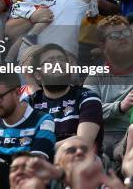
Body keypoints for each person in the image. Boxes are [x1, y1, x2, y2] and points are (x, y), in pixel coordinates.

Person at [27, 44, 103, 151]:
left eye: (61, 59)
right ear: (38, 75)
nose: (58, 63)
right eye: (50, 61)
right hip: (37, 164)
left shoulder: (87, 97)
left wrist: (40, 148)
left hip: (77, 162)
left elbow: (83, 142)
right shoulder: (29, 103)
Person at [84, 15, 133, 158]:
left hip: (129, 136)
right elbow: (88, 109)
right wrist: (120, 106)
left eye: (126, 33)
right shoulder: (96, 76)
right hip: (100, 138)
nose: (123, 38)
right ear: (102, 46)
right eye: (115, 35)